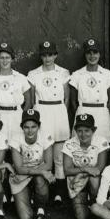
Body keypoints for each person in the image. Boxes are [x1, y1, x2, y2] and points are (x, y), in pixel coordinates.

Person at [28, 40, 71, 206]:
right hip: (42, 111)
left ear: (55, 55)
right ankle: (41, 193)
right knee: (42, 154)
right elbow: (31, 99)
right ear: (41, 56)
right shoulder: (33, 74)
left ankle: (59, 194)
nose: (47, 58)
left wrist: (60, 113)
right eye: (44, 55)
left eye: (51, 54)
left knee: (59, 158)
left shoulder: (63, 72)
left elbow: (67, 98)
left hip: (58, 112)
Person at [9, 109, 56, 219]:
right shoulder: (16, 138)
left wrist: (40, 173)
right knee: (25, 217)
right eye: (26, 127)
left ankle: (41, 209)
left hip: (32, 173)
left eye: (33, 127)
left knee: (40, 179)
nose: (30, 131)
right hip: (21, 175)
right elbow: (19, 168)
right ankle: (29, 194)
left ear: (39, 126)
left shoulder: (45, 136)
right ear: (22, 127)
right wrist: (42, 172)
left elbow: (48, 164)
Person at [63, 114, 109, 219]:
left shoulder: (101, 141)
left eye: (87, 130)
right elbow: (67, 170)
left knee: (94, 179)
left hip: (90, 178)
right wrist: (85, 170)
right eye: (79, 131)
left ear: (94, 130)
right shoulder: (69, 143)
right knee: (81, 217)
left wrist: (80, 173)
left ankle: (94, 203)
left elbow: (99, 169)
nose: (83, 134)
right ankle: (84, 202)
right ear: (75, 130)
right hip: (77, 181)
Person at [0, 42, 31, 142]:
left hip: (16, 115)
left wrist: (22, 116)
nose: (5, 61)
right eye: (2, 58)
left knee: (17, 145)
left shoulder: (21, 78)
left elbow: (29, 101)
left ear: (12, 59)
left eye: (7, 57)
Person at [69, 38, 110, 143]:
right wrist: (80, 112)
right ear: (85, 55)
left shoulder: (107, 74)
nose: (92, 56)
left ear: (99, 54)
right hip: (83, 111)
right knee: (81, 143)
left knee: (102, 144)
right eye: (89, 53)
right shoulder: (77, 74)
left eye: (95, 53)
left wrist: (105, 111)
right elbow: (72, 101)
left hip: (101, 113)